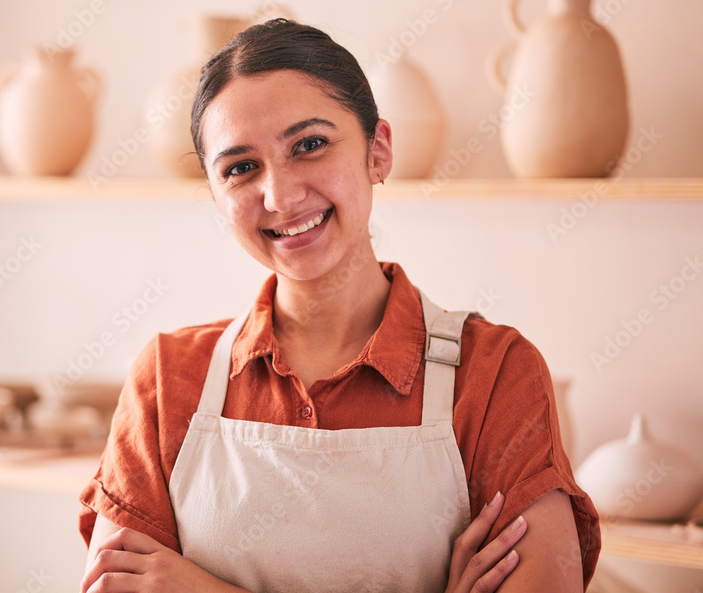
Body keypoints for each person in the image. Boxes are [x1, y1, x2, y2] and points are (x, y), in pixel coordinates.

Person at [79, 18, 599, 593]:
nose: (280, 196)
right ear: (214, 195)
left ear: (378, 151)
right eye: (240, 168)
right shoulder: (167, 378)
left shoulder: (496, 374)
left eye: (309, 145)